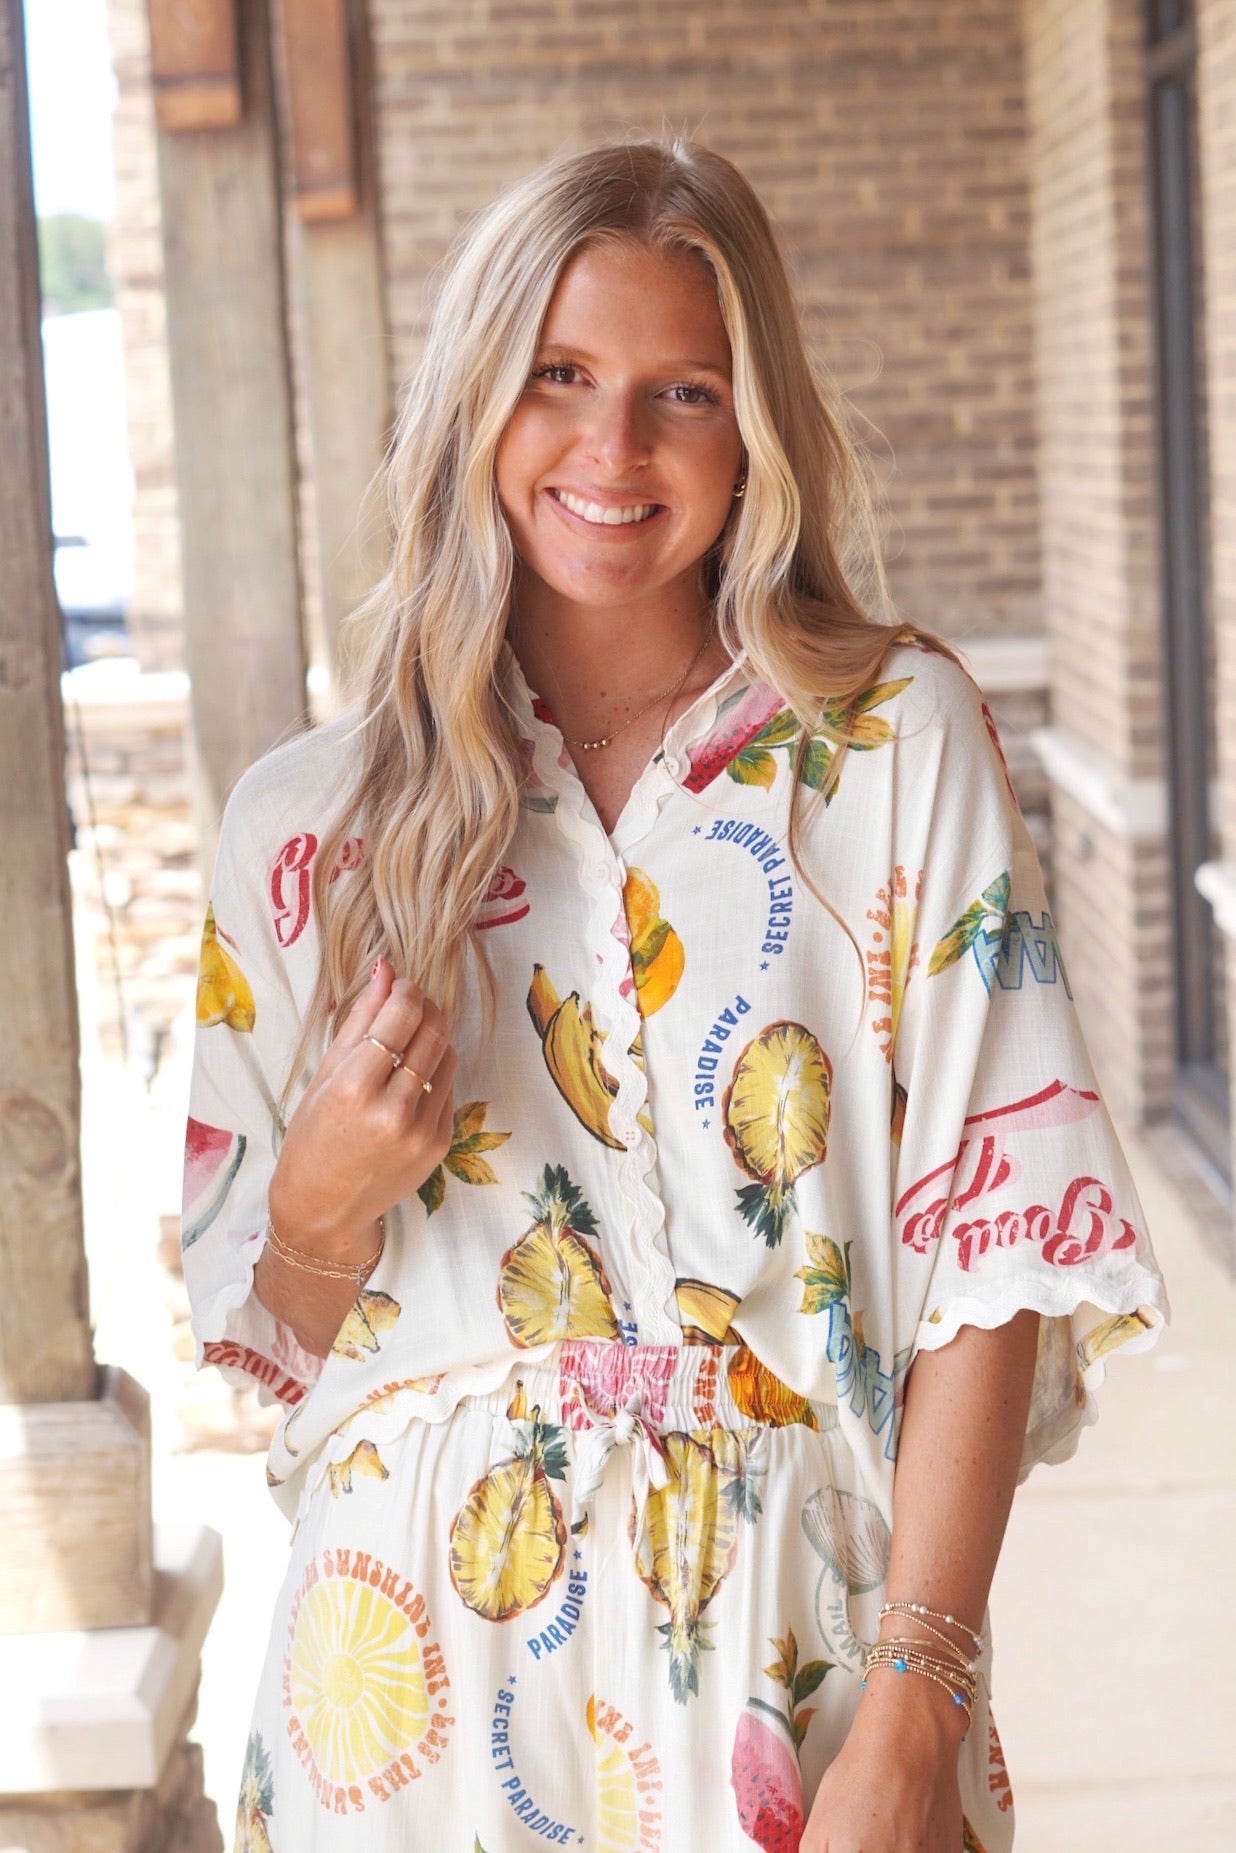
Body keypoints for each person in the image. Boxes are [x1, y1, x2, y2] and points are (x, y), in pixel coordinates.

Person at [184, 138, 1167, 1853]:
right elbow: (267, 1343)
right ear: (477, 397)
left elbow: (996, 1251)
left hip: (801, 1672)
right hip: (400, 1699)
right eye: (559, 376)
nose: (613, 447)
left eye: (683, 393)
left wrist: (916, 1706)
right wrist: (319, 1198)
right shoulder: (304, 829)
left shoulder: (891, 750)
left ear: (754, 428)